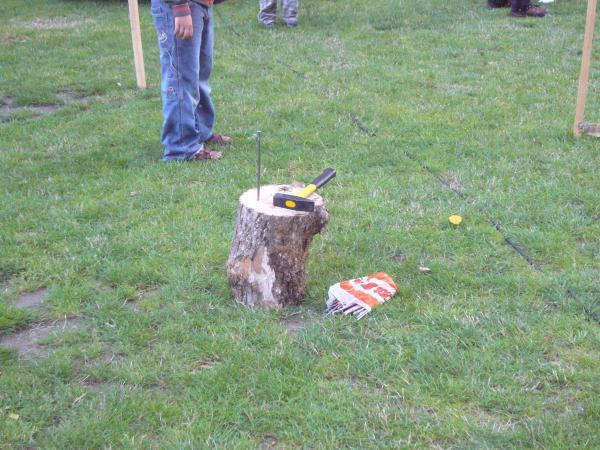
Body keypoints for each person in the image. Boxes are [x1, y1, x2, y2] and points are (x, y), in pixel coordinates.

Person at [151, 0, 231, 162]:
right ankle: (181, 147)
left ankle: (200, 132)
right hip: (180, 7)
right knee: (181, 78)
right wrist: (179, 6)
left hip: (200, 5)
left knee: (199, 74)